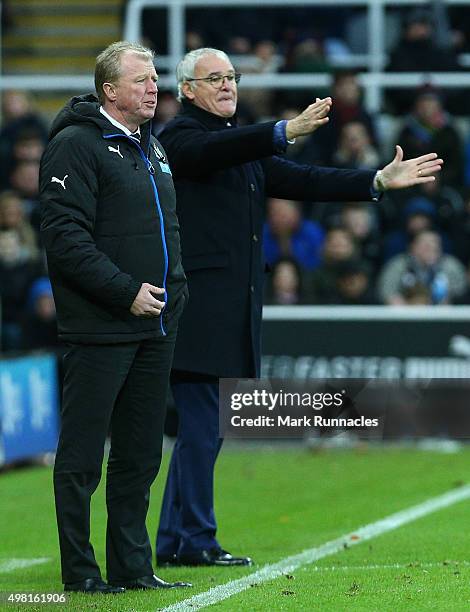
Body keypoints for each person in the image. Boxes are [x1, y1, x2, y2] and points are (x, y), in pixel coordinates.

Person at [154, 47, 443, 568]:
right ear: (187, 92)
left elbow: (304, 180)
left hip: (230, 310)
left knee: (204, 425)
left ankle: (177, 538)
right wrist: (281, 130)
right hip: (198, 309)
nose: (227, 85)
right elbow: (211, 154)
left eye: (232, 77)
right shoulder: (178, 137)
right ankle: (193, 539)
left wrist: (374, 181)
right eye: (214, 78)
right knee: (203, 424)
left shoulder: (237, 146)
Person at [39, 41, 190, 594]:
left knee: (140, 454)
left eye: (155, 79)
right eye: (142, 80)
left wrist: (177, 293)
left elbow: (168, 231)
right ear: (110, 90)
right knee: (81, 458)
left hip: (155, 326)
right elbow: (64, 239)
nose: (155, 88)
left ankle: (131, 566)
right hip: (100, 327)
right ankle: (80, 574)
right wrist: (126, 292)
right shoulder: (74, 146)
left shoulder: (151, 147)